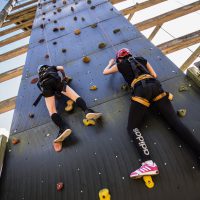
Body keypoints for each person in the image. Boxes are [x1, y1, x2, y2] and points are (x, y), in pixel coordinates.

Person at [103, 48, 200, 179]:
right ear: (130, 54)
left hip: (141, 90)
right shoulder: (142, 59)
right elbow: (154, 75)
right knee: (176, 123)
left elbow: (105, 72)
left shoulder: (120, 65)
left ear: (119, 59)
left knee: (132, 127)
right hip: (156, 87)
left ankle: (148, 163)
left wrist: (110, 63)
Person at [37, 65, 102, 150]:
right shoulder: (51, 67)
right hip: (56, 81)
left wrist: (52, 93)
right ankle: (87, 110)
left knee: (52, 111)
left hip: (46, 87)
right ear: (46, 66)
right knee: (75, 96)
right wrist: (64, 77)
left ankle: (63, 128)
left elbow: (41, 89)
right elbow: (61, 68)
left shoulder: (40, 78)